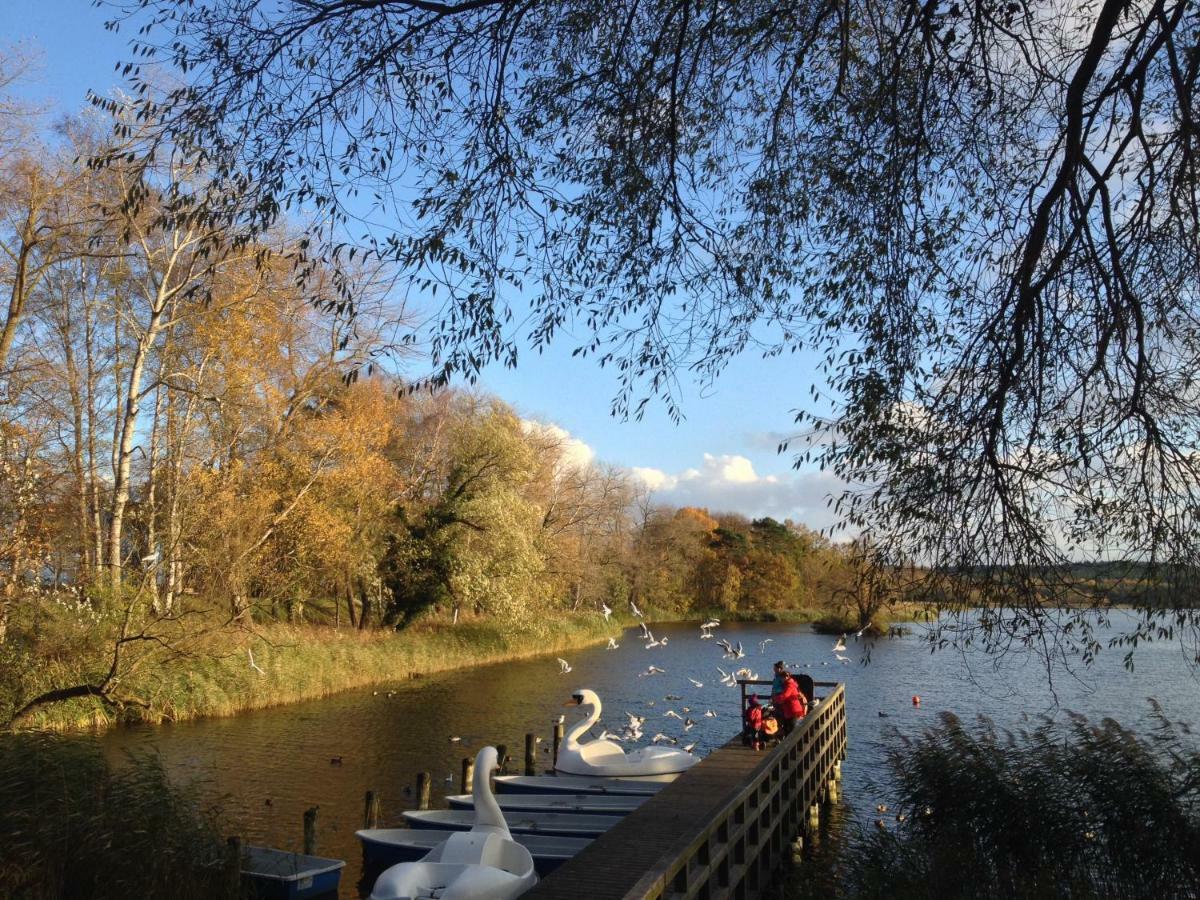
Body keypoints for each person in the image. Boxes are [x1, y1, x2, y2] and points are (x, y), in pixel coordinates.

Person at [771, 660, 807, 736]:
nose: (781, 680)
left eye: (782, 678)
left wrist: (774, 699)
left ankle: (789, 744)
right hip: (789, 709)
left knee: (792, 731)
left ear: (786, 677)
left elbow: (784, 695)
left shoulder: (789, 685)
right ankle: (784, 740)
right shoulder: (788, 683)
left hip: (793, 710)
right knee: (789, 728)